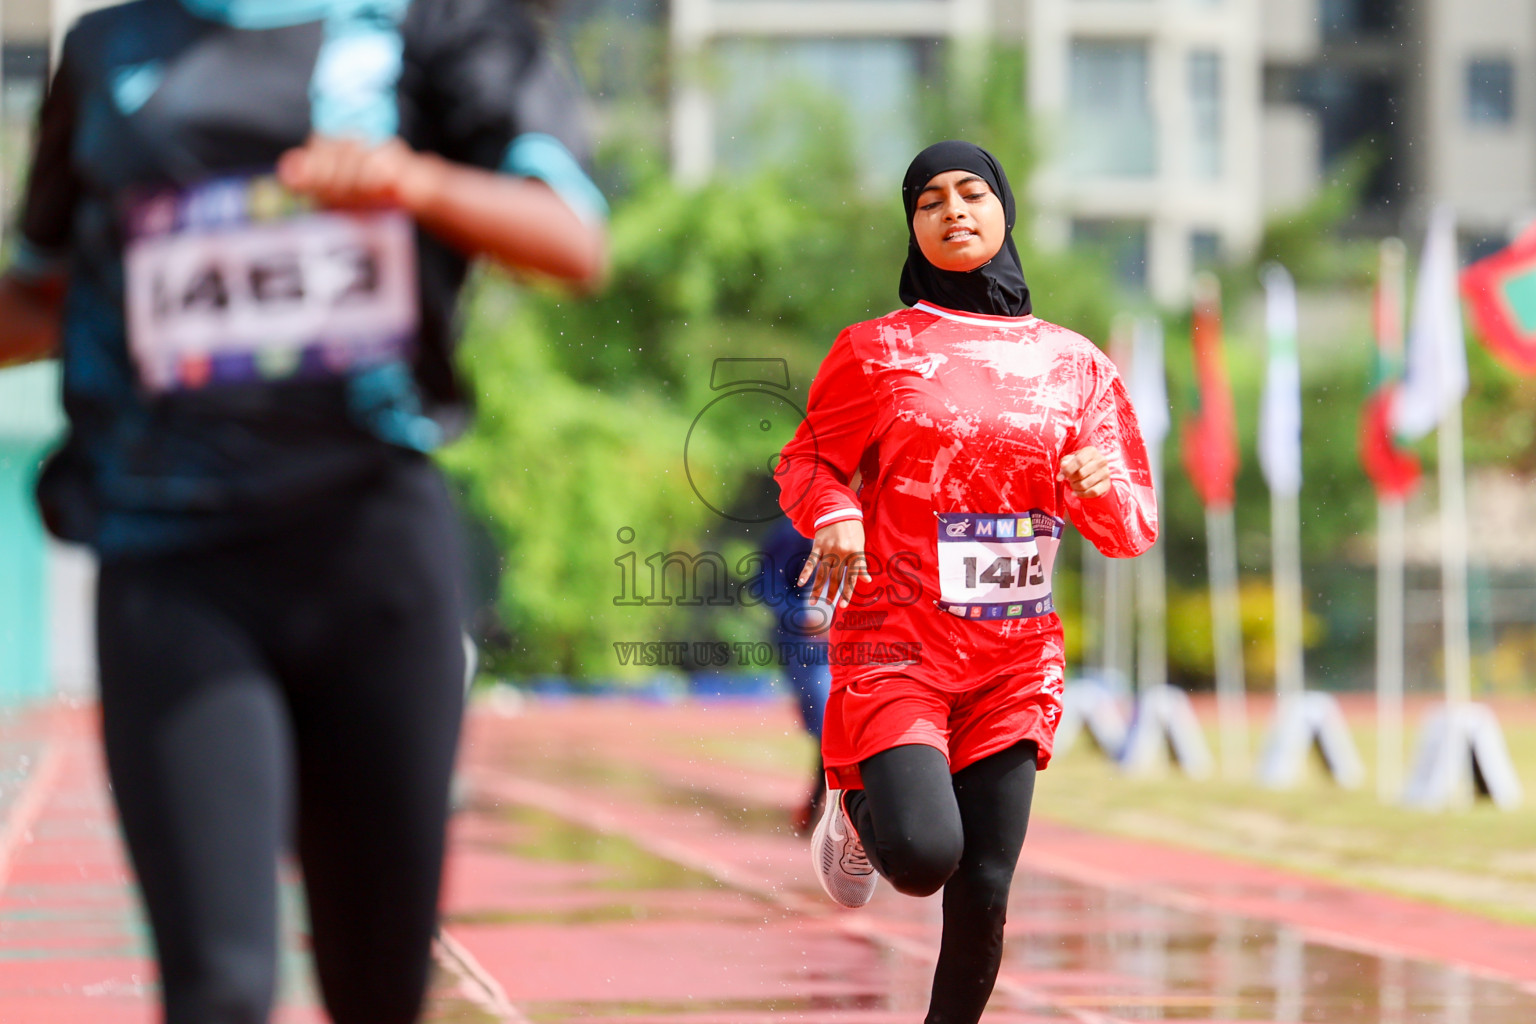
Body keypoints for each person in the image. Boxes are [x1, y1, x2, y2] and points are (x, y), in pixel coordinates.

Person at [0, 1, 607, 1022]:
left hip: (368, 558)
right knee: (220, 988)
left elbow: (568, 239)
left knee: (378, 992)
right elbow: (46, 292)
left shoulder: (435, 28)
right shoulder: (107, 49)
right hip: (172, 565)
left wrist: (405, 179)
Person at [774, 140, 1157, 1024]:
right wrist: (836, 514)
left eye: (971, 193)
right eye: (930, 200)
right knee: (924, 857)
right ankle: (856, 806)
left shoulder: (1076, 365)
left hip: (1015, 659)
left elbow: (1131, 528)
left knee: (984, 885)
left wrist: (1101, 487)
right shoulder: (876, 351)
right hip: (899, 642)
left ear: (1003, 210)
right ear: (913, 226)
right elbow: (808, 465)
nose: (953, 210)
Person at [755, 517, 832, 832]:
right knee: (829, 723)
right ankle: (823, 804)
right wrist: (801, 617)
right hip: (810, 649)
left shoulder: (883, 517)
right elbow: (766, 584)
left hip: (864, 641)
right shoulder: (794, 530)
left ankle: (820, 803)